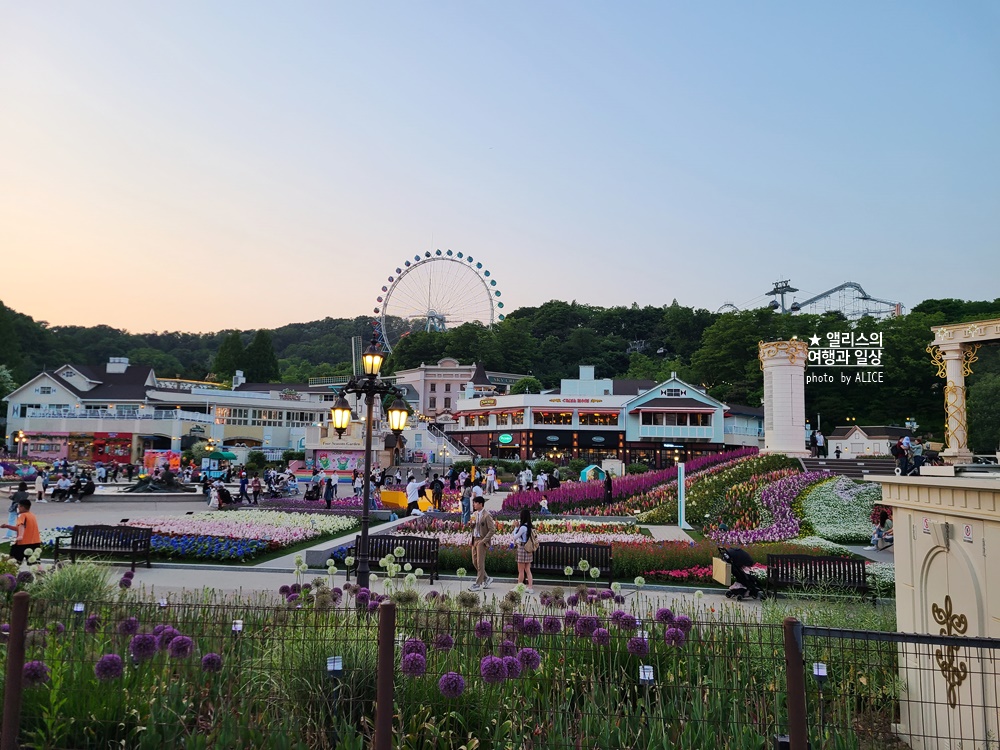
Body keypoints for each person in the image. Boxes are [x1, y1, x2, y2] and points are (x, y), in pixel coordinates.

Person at [1, 498, 42, 564]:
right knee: (35, 563)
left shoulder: (22, 515)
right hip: (35, 542)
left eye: (18, 506)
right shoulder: (32, 515)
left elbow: (21, 525)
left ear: (22, 507)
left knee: (13, 562)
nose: (18, 508)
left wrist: (20, 536)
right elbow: (20, 528)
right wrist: (7, 526)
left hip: (23, 543)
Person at [469, 495, 495, 591]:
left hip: (481, 540)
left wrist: (484, 541)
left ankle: (478, 583)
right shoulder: (474, 514)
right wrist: (471, 525)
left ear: (481, 504)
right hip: (474, 539)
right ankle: (487, 578)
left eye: (476, 503)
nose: (474, 504)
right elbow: (473, 527)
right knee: (474, 561)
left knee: (480, 563)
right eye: (474, 503)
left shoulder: (487, 515)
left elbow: (492, 530)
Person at [513, 507, 536, 594]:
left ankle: (519, 586)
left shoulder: (522, 527)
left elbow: (515, 537)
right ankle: (530, 587)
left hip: (522, 548)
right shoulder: (530, 526)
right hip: (528, 549)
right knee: (528, 569)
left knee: (521, 570)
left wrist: (516, 527)